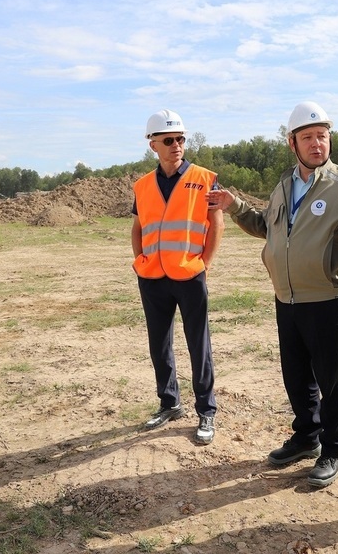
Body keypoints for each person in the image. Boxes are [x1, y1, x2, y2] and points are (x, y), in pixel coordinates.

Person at [206, 101, 338, 487]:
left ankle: (333, 449)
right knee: (296, 376)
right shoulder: (284, 186)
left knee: (330, 379)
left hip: (326, 298)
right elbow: (266, 227)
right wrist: (234, 205)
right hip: (286, 298)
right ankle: (307, 437)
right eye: (308, 137)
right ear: (293, 143)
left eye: (322, 136)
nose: (317, 143)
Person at [131, 109, 224, 445]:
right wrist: (139, 258)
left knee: (198, 344)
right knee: (159, 344)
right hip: (153, 276)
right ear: (153, 144)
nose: (177, 145)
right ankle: (169, 403)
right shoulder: (142, 186)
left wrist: (205, 264)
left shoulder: (205, 178)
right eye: (169, 140)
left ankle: (206, 410)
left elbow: (216, 224)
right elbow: (138, 226)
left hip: (189, 274)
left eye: (181, 139)